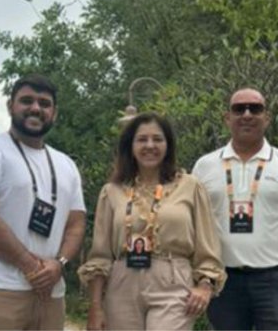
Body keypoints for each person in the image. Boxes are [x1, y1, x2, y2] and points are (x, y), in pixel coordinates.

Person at [0, 74, 86, 330]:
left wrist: (58, 264)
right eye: (26, 100)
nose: (36, 108)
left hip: (50, 295)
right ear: (10, 106)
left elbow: (76, 224)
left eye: (44, 103)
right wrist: (30, 266)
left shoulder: (66, 164)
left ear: (55, 112)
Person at [78, 112, 226, 331]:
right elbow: (100, 254)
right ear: (130, 145)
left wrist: (205, 285)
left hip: (173, 281)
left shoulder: (190, 186)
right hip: (122, 283)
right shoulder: (111, 191)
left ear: (168, 145)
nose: (150, 145)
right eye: (142, 139)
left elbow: (207, 243)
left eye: (157, 139)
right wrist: (96, 307)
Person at [193, 88, 278, 330]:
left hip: (272, 279)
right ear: (227, 118)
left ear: (267, 118)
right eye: (239, 109)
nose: (247, 114)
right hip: (222, 280)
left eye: (255, 108)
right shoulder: (204, 166)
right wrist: (200, 279)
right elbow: (194, 227)